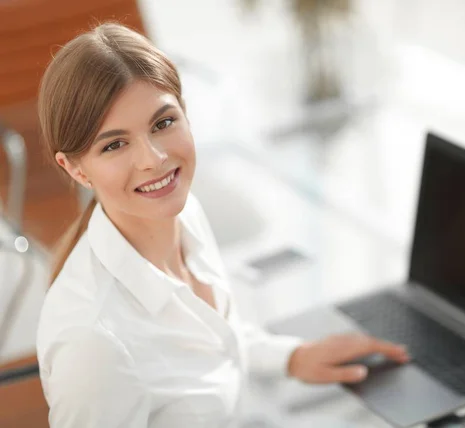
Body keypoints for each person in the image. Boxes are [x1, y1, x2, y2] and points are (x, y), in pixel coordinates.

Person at [35, 23, 409, 427]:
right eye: (114, 144)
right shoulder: (92, 346)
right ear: (74, 168)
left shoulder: (184, 213)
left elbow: (207, 344)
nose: (154, 159)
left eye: (162, 123)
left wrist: (292, 357)